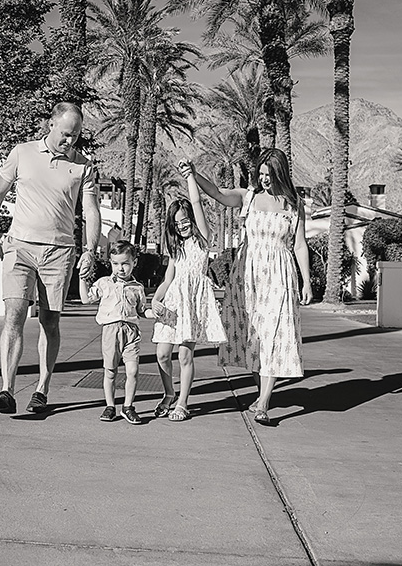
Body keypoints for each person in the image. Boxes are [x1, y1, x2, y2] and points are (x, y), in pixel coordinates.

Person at [0, 102, 101, 415]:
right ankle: (7, 389)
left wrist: (90, 249)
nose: (70, 140)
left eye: (75, 135)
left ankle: (42, 389)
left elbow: (90, 210)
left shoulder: (83, 166)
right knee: (14, 315)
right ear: (50, 125)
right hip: (20, 247)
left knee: (49, 321)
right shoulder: (22, 153)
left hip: (59, 252)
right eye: (65, 133)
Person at [183, 148, 311, 426]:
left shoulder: (293, 204)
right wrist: (194, 174)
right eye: (261, 173)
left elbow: (299, 245)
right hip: (247, 274)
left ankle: (264, 403)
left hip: (279, 273)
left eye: (270, 174)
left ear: (281, 173)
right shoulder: (248, 197)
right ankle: (260, 393)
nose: (264, 179)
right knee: (253, 336)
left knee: (274, 333)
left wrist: (306, 281)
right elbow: (217, 193)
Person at [148, 167, 226, 422]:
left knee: (184, 354)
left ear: (192, 220)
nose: (182, 226)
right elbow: (168, 279)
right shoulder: (176, 248)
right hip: (172, 303)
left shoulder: (203, 238)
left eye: (185, 221)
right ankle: (169, 393)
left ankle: (183, 402)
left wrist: (190, 176)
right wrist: (156, 299)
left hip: (192, 302)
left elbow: (196, 200)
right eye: (177, 223)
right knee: (161, 354)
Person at [79, 240, 147, 424]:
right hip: (110, 331)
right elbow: (86, 299)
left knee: (132, 371)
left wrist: (155, 312)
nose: (120, 268)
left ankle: (128, 407)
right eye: (116, 263)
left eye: (125, 263)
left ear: (134, 262)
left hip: (131, 332)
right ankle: (110, 406)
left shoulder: (138, 287)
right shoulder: (104, 283)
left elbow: (142, 311)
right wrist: (82, 279)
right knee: (110, 372)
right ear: (110, 262)